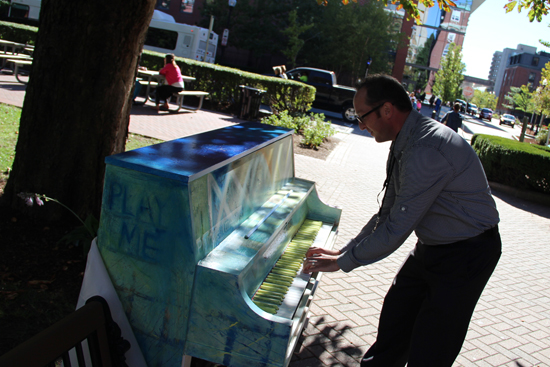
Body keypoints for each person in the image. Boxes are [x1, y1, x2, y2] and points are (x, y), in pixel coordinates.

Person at [303, 74, 501, 367]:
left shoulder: (425, 149)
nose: (360, 125)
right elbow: (388, 212)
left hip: (468, 254)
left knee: (432, 347)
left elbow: (397, 229)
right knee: (397, 317)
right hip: (433, 246)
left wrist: (342, 263)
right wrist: (344, 251)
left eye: (362, 116)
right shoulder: (405, 141)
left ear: (386, 110)